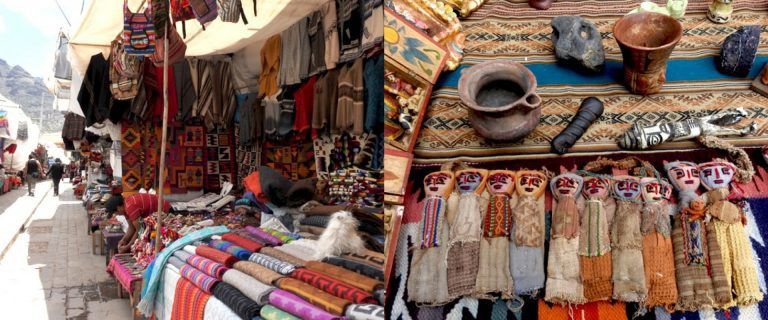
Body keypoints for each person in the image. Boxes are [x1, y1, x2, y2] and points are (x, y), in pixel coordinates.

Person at [105, 193, 171, 253]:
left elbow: (140, 230)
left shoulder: (130, 207)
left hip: (164, 210)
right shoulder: (125, 208)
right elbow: (131, 228)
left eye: (115, 213)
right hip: (156, 212)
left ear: (118, 208)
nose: (117, 215)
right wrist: (123, 240)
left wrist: (127, 246)